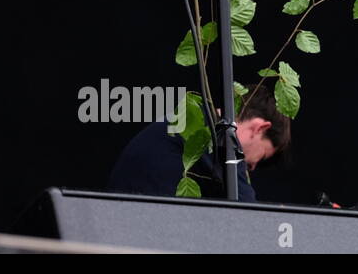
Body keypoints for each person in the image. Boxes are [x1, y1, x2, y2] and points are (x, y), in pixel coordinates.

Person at [106, 84, 290, 201]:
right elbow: (249, 218)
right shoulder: (218, 133)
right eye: (261, 157)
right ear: (260, 128)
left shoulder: (190, 119)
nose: (253, 167)